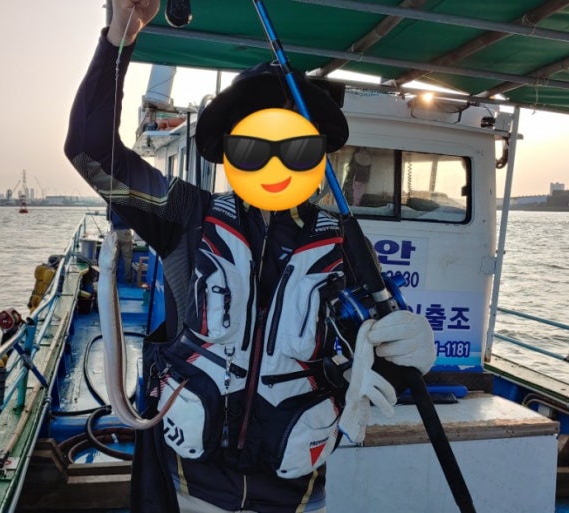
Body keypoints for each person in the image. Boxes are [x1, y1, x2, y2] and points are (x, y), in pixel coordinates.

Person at [64, 2, 436, 512]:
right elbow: (89, 150)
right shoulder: (185, 212)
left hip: (296, 491)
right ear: (231, 145)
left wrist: (411, 351)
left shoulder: (346, 243)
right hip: (189, 485)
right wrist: (121, 37)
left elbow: (382, 351)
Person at [110, 210, 134, 282]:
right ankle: (128, 278)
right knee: (127, 258)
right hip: (126, 231)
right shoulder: (129, 204)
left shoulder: (111, 204)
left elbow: (109, 218)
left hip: (115, 232)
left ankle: (112, 278)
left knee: (114, 258)